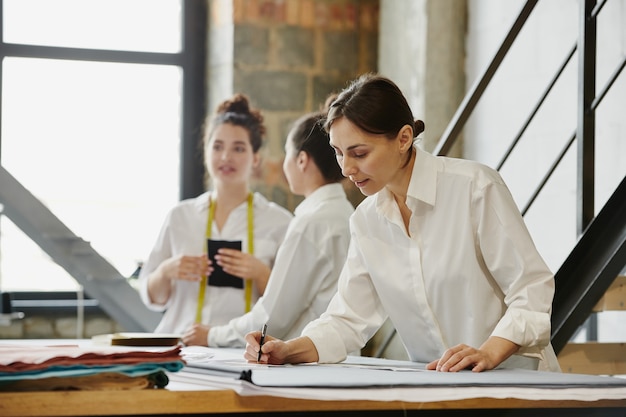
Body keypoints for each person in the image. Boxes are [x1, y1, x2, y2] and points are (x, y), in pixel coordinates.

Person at [244, 73, 561, 373]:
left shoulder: (475, 188)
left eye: (359, 153)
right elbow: (347, 320)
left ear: (404, 138)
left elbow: (531, 289)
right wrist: (288, 350)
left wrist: (489, 351)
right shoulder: (366, 221)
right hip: (440, 393)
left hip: (516, 383)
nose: (347, 168)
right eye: (339, 153)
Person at [181, 110, 354, 346]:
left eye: (286, 153)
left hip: (308, 361)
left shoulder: (310, 223)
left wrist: (212, 336)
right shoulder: (346, 214)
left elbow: (273, 317)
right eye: (218, 146)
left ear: (301, 160)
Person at [138, 94, 293, 334]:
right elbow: (152, 298)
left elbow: (290, 306)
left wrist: (262, 274)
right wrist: (167, 271)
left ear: (255, 159)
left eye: (238, 148)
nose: (225, 157)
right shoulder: (180, 216)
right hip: (179, 346)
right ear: (206, 151)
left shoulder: (279, 222)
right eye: (217, 146)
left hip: (242, 352)